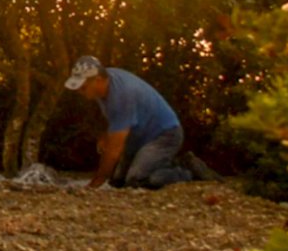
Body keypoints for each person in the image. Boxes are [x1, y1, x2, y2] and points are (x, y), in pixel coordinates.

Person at [65, 55, 194, 189]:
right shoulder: (104, 84)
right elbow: (115, 120)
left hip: (165, 134)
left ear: (97, 80)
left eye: (83, 87)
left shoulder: (121, 96)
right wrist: (106, 136)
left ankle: (185, 171)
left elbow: (114, 150)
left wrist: (95, 184)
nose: (79, 91)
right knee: (118, 181)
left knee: (136, 180)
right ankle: (157, 163)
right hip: (138, 136)